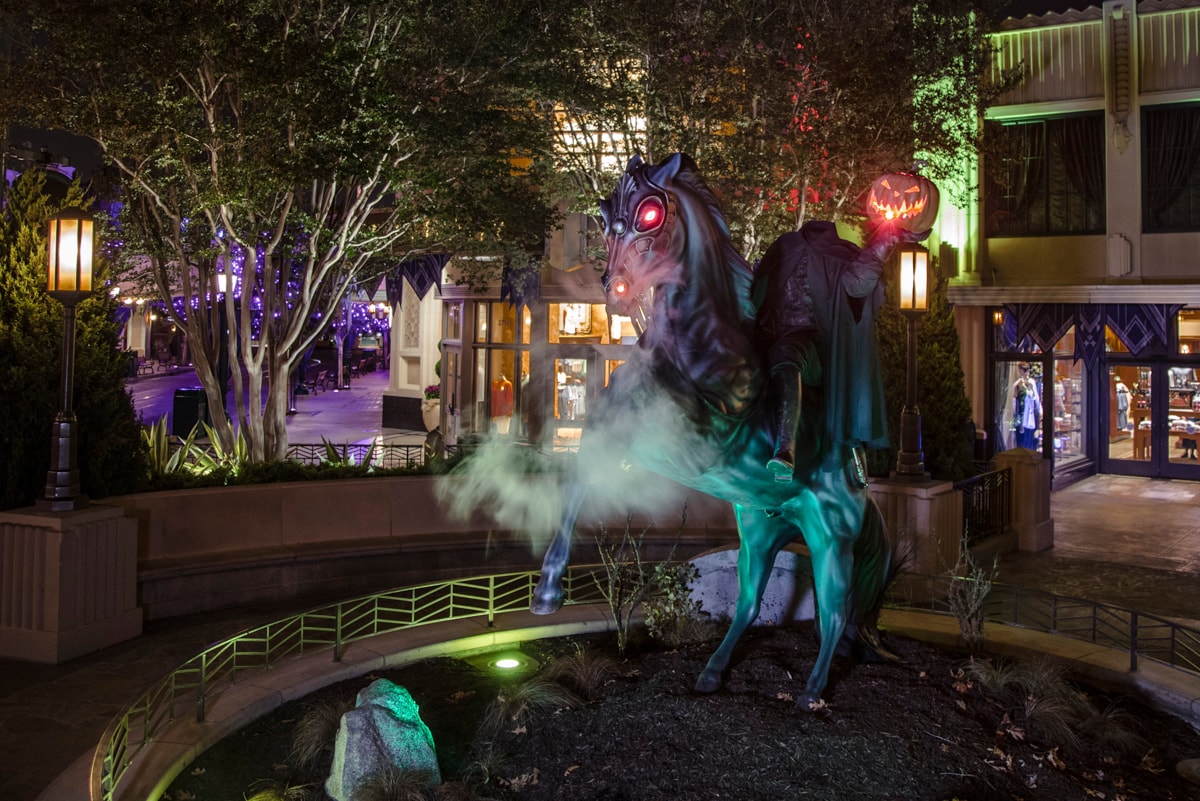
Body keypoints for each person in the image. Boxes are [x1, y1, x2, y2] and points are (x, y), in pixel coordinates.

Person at [753, 221, 921, 484]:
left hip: (813, 346)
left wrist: (886, 241)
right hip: (769, 336)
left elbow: (857, 285)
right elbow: (758, 285)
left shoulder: (840, 255)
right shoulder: (784, 249)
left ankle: (786, 451)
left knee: (788, 356)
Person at [1012, 363, 1042, 450]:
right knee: (1022, 438)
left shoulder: (1031, 383)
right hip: (1022, 415)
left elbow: (1036, 397)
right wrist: (1014, 414)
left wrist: (1040, 410)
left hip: (1030, 415)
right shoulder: (1017, 385)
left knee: (1030, 437)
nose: (1026, 373)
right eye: (1024, 370)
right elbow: (1014, 401)